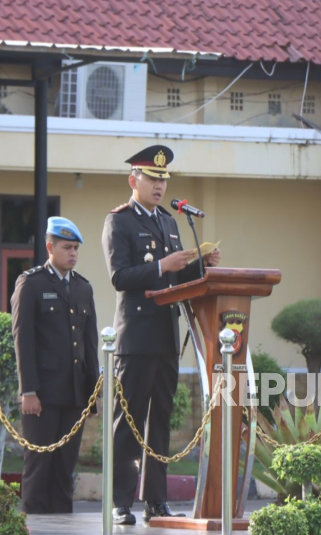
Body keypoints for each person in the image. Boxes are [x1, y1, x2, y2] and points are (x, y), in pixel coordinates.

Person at [101, 145, 221, 526]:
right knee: (129, 420)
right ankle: (120, 502)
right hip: (136, 338)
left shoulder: (169, 222)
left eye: (163, 180)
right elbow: (120, 277)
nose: (159, 186)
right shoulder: (119, 221)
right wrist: (161, 266)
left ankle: (156, 500)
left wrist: (200, 264)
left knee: (160, 421)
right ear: (133, 180)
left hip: (167, 337)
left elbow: (177, 277)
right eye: (152, 179)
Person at [11, 216, 100, 514]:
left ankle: (63, 523)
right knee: (38, 466)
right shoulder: (32, 283)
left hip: (75, 394)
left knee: (65, 468)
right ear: (50, 247)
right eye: (67, 247)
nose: (73, 253)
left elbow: (89, 345)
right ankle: (35, 524)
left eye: (76, 248)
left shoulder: (83, 288)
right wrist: (29, 391)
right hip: (43, 395)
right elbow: (23, 340)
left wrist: (92, 393)